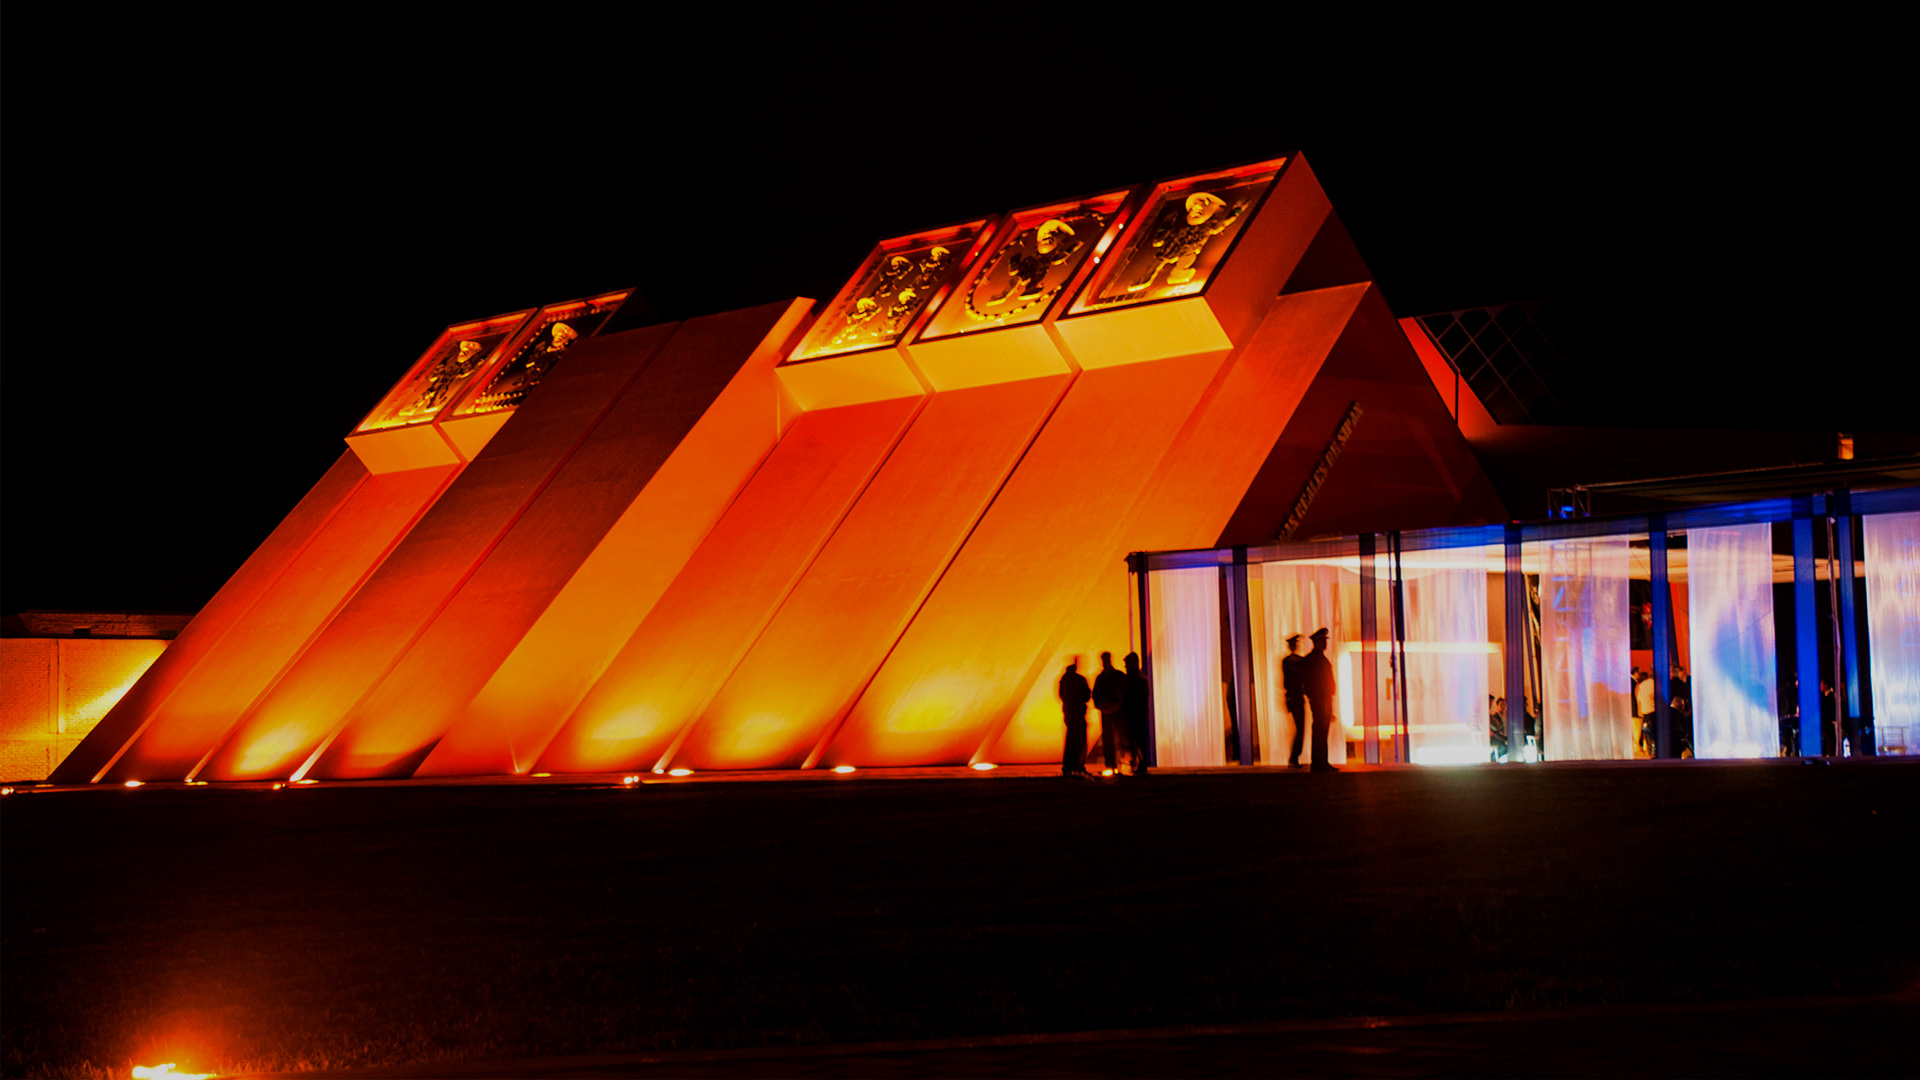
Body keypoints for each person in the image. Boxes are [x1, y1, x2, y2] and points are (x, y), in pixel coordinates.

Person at [1302, 628, 1338, 772]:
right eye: (1322, 641)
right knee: (1319, 730)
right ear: (1316, 643)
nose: (1325, 644)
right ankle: (1318, 762)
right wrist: (1312, 695)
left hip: (1325, 698)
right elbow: (1307, 680)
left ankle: (1323, 761)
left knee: (1324, 730)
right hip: (1318, 699)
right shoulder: (1311, 660)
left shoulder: (1322, 659)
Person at [1092, 652, 1127, 773]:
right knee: (1108, 739)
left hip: (1116, 712)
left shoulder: (1113, 676)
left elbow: (1123, 692)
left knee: (1121, 738)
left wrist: (1113, 705)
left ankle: (1124, 762)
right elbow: (1095, 695)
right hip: (1109, 712)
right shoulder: (1103, 678)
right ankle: (1111, 764)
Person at [1058, 658, 1092, 778]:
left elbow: (1062, 696)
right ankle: (1078, 765)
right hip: (1078, 713)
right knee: (1080, 741)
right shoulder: (1079, 680)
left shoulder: (1064, 681)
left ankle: (1069, 766)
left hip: (1070, 714)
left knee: (1070, 740)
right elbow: (1087, 694)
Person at [1281, 633, 1307, 767]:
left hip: (1296, 697)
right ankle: (1294, 756)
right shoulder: (1289, 661)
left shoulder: (1296, 661)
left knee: (1300, 728)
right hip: (1294, 697)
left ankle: (1295, 756)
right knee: (1300, 727)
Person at [1122, 653, 1150, 776]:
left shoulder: (1135, 679)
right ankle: (1138, 764)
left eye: (1127, 665)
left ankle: (1140, 764)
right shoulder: (1138, 678)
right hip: (1136, 714)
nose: (1126, 667)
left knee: (1138, 740)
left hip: (1136, 714)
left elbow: (1135, 698)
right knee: (1136, 740)